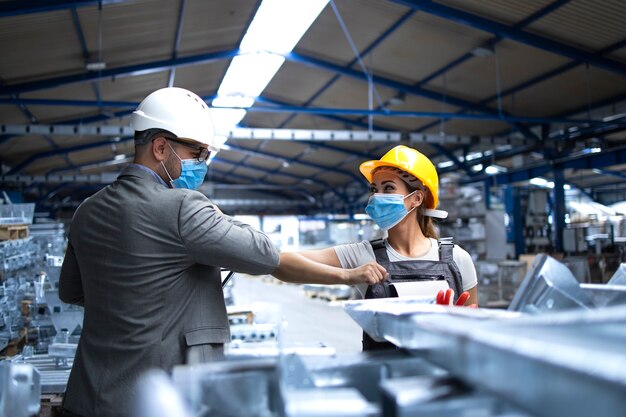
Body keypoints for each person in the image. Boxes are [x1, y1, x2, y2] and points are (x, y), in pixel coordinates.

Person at [58, 87, 387, 417]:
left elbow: (71, 291)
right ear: (160, 147)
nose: (202, 164)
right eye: (198, 153)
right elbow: (261, 253)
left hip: (87, 396)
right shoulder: (183, 207)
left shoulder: (87, 210)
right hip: (156, 400)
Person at [291, 145, 478, 350]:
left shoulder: (457, 259)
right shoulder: (363, 254)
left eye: (388, 188)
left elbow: (476, 340)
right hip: (382, 377)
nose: (377, 197)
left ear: (417, 198)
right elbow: (282, 262)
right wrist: (348, 276)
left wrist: (459, 327)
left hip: (442, 377)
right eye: (374, 189)